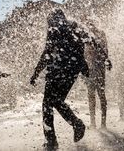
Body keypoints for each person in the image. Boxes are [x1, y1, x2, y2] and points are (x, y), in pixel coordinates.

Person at [30, 9, 93, 149]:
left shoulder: (54, 27)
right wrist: (97, 60)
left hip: (58, 69)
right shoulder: (74, 25)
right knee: (57, 101)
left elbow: (47, 52)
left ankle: (52, 140)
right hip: (72, 71)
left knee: (47, 103)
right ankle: (76, 125)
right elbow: (90, 40)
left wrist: (36, 73)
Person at [84, 22, 112, 128]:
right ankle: (97, 123)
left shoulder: (96, 34)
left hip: (95, 68)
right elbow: (105, 51)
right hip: (94, 68)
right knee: (97, 94)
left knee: (96, 95)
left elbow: (105, 51)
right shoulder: (94, 34)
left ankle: (98, 123)